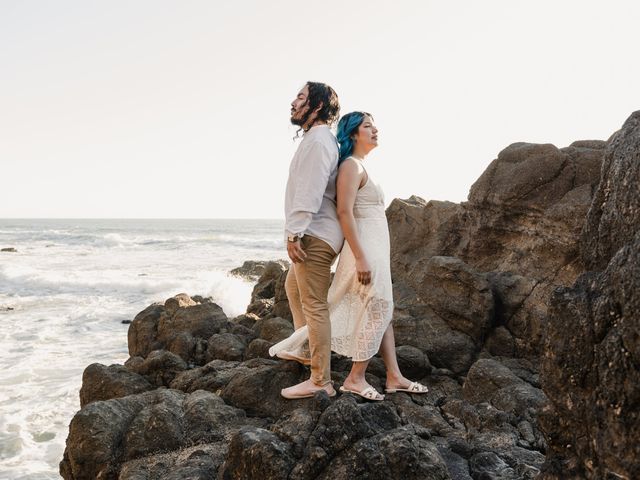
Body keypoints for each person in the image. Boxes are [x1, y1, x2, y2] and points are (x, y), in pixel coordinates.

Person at [271, 111, 428, 401]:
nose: (375, 130)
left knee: (383, 310)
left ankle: (394, 376)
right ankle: (355, 378)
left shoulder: (362, 166)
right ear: (353, 133)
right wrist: (360, 257)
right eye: (368, 126)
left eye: (374, 125)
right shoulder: (350, 167)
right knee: (378, 306)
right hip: (365, 248)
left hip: (376, 247)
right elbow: (344, 212)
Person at [278, 81, 343, 400]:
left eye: (301, 98)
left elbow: (311, 189)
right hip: (317, 231)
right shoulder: (316, 140)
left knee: (315, 305)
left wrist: (295, 232)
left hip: (314, 234)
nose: (293, 102)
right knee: (293, 287)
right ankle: (306, 350)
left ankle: (321, 379)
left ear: (317, 106)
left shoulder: (319, 141)